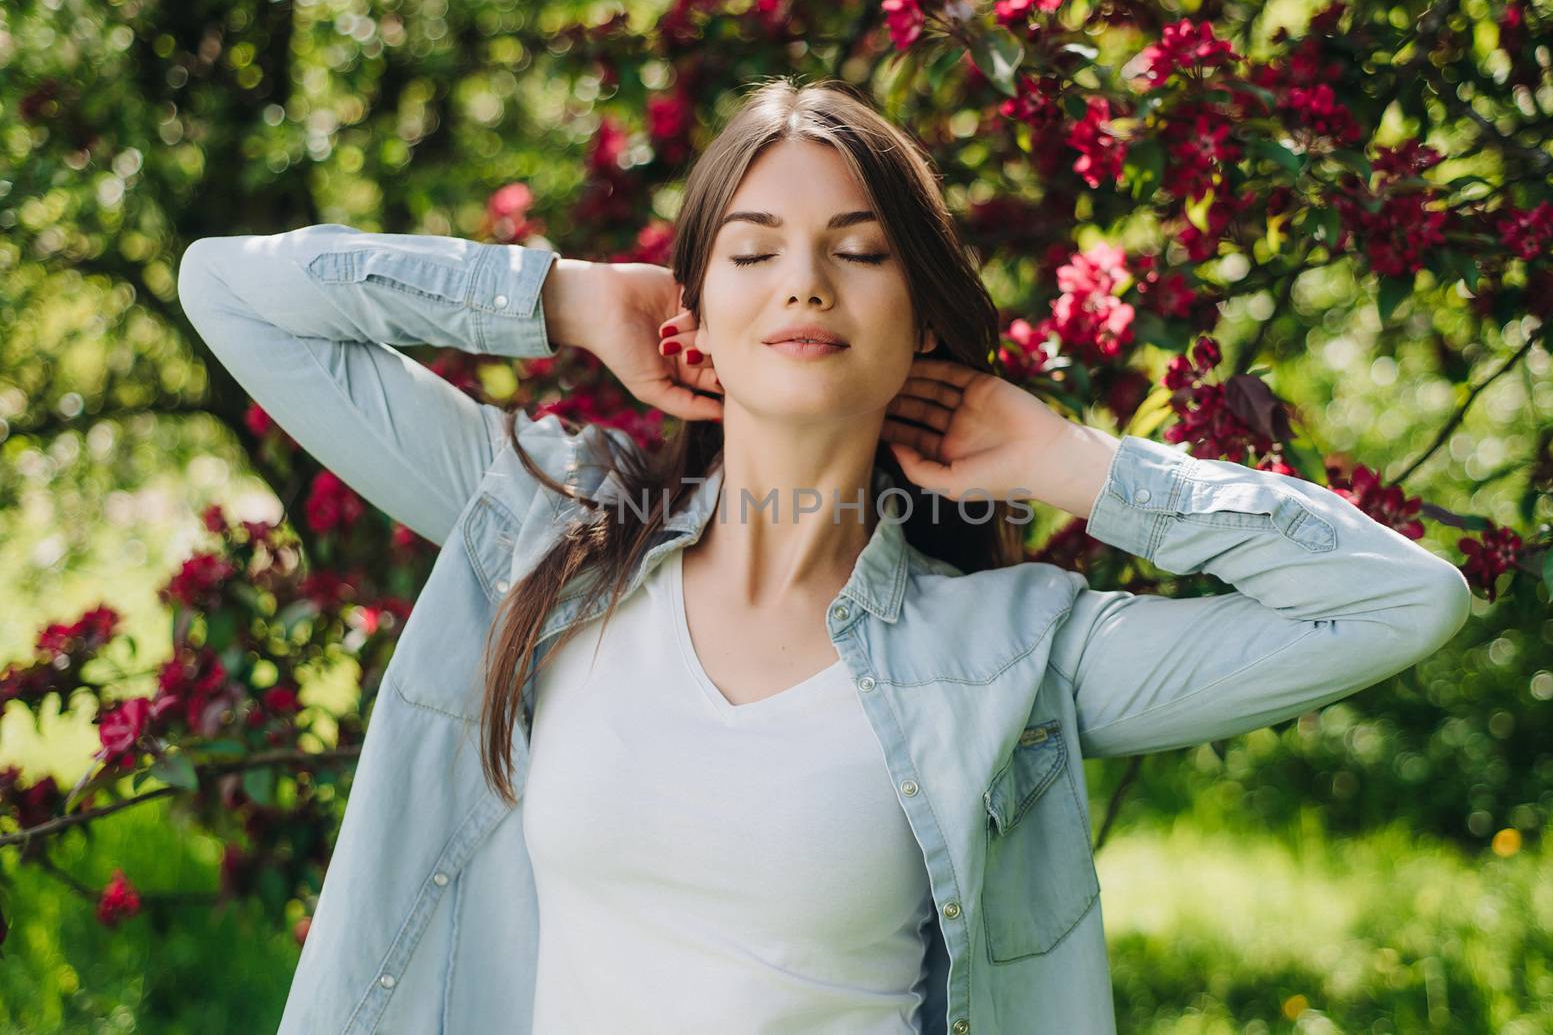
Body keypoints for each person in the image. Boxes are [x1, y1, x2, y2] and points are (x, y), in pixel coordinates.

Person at [176, 76, 1472, 1035]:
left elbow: (1397, 605)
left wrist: (1075, 464)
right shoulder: (549, 537)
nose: (803, 284)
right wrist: (561, 296)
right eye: (753, 252)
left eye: (858, 254)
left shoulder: (1006, 657)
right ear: (695, 318)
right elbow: (233, 291)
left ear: (921, 323)